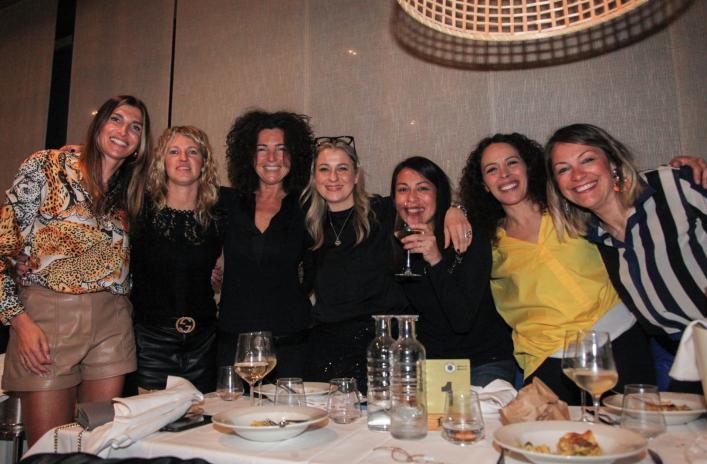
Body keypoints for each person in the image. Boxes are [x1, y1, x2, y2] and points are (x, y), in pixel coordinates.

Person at [460, 133, 655, 404]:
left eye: (512, 163)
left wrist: (684, 168)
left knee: (636, 426)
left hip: (618, 341)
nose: (504, 174)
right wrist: (456, 209)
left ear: (529, 167)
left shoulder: (569, 208)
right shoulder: (486, 244)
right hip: (548, 360)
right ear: (483, 184)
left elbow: (618, 187)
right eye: (492, 170)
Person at [0, 95, 151, 445]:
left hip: (113, 321)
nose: (124, 131)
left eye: (135, 127)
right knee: (49, 449)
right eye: (116, 120)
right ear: (98, 125)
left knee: (95, 447)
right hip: (49, 316)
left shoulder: (130, 190)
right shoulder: (47, 165)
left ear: (140, 143)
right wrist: (19, 322)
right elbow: (4, 247)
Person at [545, 123, 707, 391]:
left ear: (612, 161)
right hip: (673, 358)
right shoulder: (593, 235)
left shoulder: (672, 185)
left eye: (587, 160)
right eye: (563, 169)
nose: (577, 175)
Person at [301, 137, 472, 392]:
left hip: (379, 347)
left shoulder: (382, 211)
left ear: (356, 175)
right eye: (324, 169)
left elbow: (423, 201)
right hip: (325, 349)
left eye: (342, 168)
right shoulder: (308, 224)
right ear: (314, 177)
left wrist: (456, 210)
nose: (333, 178)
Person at [391, 156, 515, 386]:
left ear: (439, 195)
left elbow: (461, 320)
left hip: (482, 362)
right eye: (403, 189)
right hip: (430, 366)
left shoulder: (468, 235)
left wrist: (435, 259)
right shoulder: (394, 240)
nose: (412, 199)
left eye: (423, 188)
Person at [217, 110, 315, 379]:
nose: (272, 158)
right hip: (233, 346)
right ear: (249, 155)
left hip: (292, 345)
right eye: (262, 149)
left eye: (281, 149)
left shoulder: (309, 207)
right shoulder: (225, 202)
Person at [129, 126, 223, 394]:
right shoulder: (138, 208)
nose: (183, 158)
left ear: (204, 162)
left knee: (201, 420)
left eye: (192, 152)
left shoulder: (221, 211)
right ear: (162, 161)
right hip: (151, 342)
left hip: (204, 342)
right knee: (151, 418)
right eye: (174, 151)